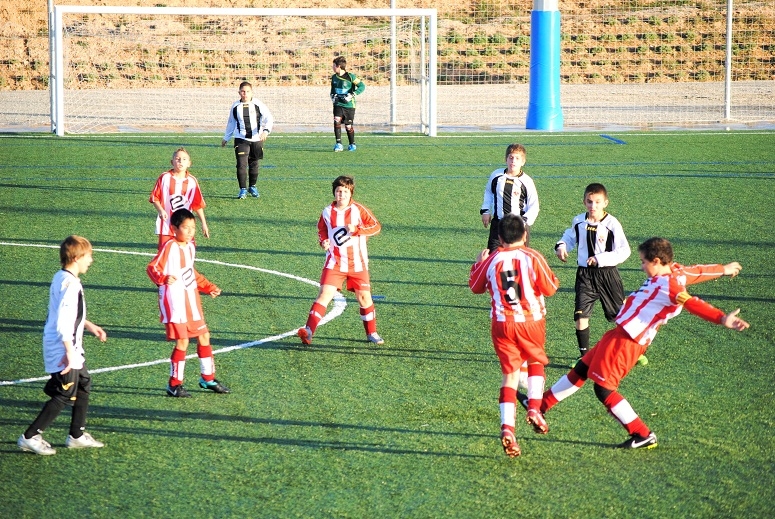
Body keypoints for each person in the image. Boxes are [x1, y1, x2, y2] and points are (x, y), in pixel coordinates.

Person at [539, 237, 749, 449]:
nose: (641, 267)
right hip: (618, 334)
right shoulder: (676, 271)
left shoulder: (671, 287)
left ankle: (643, 434)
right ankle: (539, 405)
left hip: (629, 341)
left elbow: (693, 304)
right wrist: (723, 269)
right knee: (583, 367)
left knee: (603, 389)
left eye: (643, 262)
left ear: (656, 261)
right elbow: (699, 271)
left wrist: (721, 318)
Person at [468, 214, 560, 458]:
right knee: (536, 361)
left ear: (499, 239)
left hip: (502, 324)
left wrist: (478, 263)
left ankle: (508, 429)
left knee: (510, 375)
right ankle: (534, 408)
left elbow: (475, 287)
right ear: (525, 235)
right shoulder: (533, 256)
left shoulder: (493, 259)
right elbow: (550, 289)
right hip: (531, 321)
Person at [18, 235, 107, 455]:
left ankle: (76, 434)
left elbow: (67, 313)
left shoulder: (61, 277)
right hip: (63, 345)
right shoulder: (71, 284)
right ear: (77, 258)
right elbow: (63, 322)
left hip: (67, 343)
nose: (91, 260)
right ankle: (30, 436)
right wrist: (69, 353)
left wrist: (89, 325)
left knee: (84, 381)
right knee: (65, 392)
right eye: (88, 256)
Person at [147, 209, 229, 397]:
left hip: (192, 300)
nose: (191, 231)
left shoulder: (190, 246)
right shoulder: (169, 246)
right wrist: (163, 277)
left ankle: (208, 379)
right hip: (174, 301)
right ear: (174, 228)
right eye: (186, 227)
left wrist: (208, 287)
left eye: (193, 227)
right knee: (183, 341)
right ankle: (174, 385)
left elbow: (190, 272)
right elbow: (152, 267)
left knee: (204, 336)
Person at [298, 175, 383, 346]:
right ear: (334, 193)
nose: (341, 195)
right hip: (334, 263)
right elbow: (322, 229)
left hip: (357, 263)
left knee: (364, 298)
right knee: (324, 295)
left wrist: (357, 229)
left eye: (345, 192)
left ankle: (371, 333)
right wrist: (323, 241)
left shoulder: (359, 210)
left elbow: (376, 227)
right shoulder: (327, 212)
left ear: (350, 193)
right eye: (338, 191)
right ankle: (308, 331)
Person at [555, 183, 631, 366]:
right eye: (589, 202)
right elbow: (569, 237)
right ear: (584, 202)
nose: (593, 206)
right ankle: (584, 358)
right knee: (580, 315)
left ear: (605, 202)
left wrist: (601, 259)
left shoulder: (612, 224)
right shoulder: (579, 221)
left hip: (607, 275)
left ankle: (631, 351)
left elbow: (625, 250)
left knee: (620, 317)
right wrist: (562, 245)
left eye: (597, 202)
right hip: (585, 276)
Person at [480, 143, 539, 251]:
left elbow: (534, 206)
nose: (513, 161)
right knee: (494, 258)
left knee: (519, 260)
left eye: (517, 158)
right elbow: (488, 192)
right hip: (498, 224)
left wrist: (524, 223)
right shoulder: (496, 176)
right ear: (506, 159)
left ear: (523, 162)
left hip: (518, 227)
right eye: (511, 158)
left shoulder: (526, 181)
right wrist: (486, 211)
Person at [221, 80, 274, 199]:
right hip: (241, 139)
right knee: (241, 164)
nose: (245, 94)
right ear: (239, 92)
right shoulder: (235, 106)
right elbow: (231, 122)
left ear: (252, 92)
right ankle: (242, 189)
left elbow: (269, 118)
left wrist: (266, 131)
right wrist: (226, 137)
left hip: (257, 139)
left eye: (248, 91)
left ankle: (252, 186)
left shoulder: (258, 104)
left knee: (254, 164)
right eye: (243, 91)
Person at [149, 147, 209, 251]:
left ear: (189, 163)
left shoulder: (192, 181)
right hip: (167, 226)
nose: (181, 161)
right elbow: (155, 197)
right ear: (172, 162)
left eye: (184, 159)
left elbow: (197, 204)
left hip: (185, 227)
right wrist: (161, 210)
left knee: (186, 256)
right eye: (178, 159)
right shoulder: (164, 178)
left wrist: (204, 223)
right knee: (166, 256)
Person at [330, 56, 365, 152]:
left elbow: (362, 86)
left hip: (349, 105)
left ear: (339, 66)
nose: (332, 68)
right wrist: (332, 96)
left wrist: (353, 94)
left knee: (348, 126)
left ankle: (352, 144)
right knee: (336, 120)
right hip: (338, 104)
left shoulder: (351, 77)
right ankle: (338, 144)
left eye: (334, 66)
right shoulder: (333, 77)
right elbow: (332, 90)